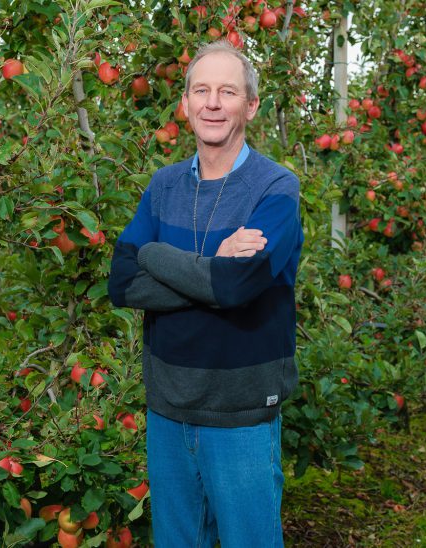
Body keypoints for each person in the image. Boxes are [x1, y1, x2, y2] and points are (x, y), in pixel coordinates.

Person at [108, 39, 303, 548]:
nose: (213, 103)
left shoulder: (275, 188)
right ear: (186, 104)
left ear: (251, 106)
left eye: (227, 91)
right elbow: (122, 282)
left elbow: (237, 287)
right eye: (201, 90)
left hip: (240, 414)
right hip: (168, 409)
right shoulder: (164, 185)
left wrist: (152, 253)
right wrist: (214, 267)